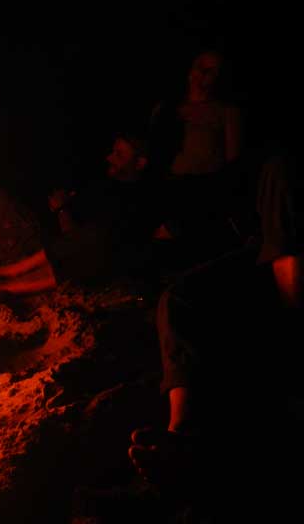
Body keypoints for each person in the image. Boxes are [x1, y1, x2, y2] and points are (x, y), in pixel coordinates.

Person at [128, 148, 303, 516]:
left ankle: (188, 452)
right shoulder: (263, 167)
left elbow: (289, 273)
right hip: (261, 253)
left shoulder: (282, 167)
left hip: (285, 286)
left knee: (189, 303)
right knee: (179, 299)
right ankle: (181, 437)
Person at [0, 132, 159, 297]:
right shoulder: (105, 183)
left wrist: (61, 210)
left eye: (119, 154)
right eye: (113, 151)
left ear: (140, 162)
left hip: (43, 247)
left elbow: (80, 242)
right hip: (38, 233)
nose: (109, 157)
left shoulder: (131, 203)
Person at [148, 50, 248, 262]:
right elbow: (154, 152)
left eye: (209, 70)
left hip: (204, 191)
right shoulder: (167, 109)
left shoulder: (226, 112)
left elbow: (233, 161)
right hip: (169, 188)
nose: (201, 73)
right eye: (199, 65)